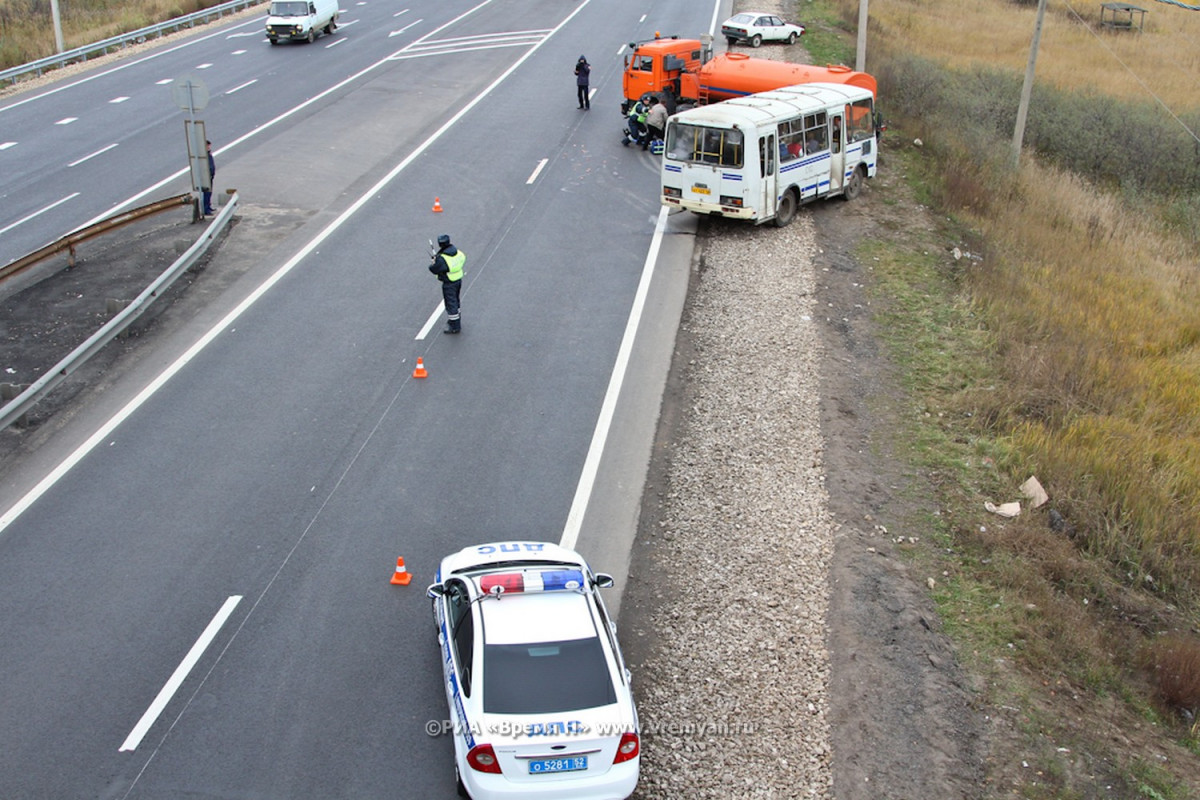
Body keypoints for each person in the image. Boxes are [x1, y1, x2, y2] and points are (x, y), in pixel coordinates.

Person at [429, 234, 465, 334]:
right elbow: (462, 259)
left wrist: (434, 263)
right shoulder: (457, 252)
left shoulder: (442, 258)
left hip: (449, 282)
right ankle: (457, 319)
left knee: (451, 303)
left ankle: (454, 326)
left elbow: (434, 269)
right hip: (458, 280)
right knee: (456, 301)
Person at [202, 140, 216, 216]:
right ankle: (206, 209)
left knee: (209, 192)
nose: (209, 147)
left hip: (210, 176)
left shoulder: (208, 153)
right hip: (207, 177)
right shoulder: (204, 155)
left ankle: (208, 206)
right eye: (208, 146)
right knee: (206, 193)